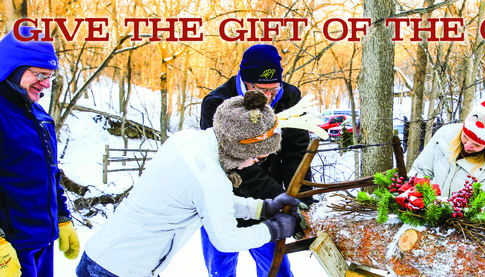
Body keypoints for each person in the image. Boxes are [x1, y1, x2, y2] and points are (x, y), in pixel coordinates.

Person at [76, 91, 303, 277]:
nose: (254, 163)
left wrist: (263, 208)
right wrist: (273, 229)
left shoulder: (185, 140)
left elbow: (207, 198)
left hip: (104, 255)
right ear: (239, 149)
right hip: (120, 270)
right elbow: (227, 240)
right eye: (258, 157)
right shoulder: (211, 179)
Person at [199, 44, 312, 277]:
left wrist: (301, 201)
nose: (270, 97)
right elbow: (232, 165)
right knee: (221, 271)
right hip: (223, 201)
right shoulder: (217, 104)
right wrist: (282, 199)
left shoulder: (289, 97)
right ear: (246, 82)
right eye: (262, 90)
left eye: (274, 89)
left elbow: (297, 153)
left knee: (277, 271)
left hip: (267, 201)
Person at [0, 26, 80, 277]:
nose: (45, 84)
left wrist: (63, 217)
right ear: (12, 67)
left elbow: (50, 174)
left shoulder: (41, 117)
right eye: (39, 74)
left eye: (50, 76)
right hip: (8, 250)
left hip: (41, 244)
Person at [408, 93, 485, 206]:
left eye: (476, 145)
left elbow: (483, 203)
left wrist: (450, 210)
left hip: (462, 220)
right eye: (466, 137)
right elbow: (421, 169)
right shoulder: (445, 135)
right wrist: (419, 191)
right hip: (429, 211)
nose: (467, 146)